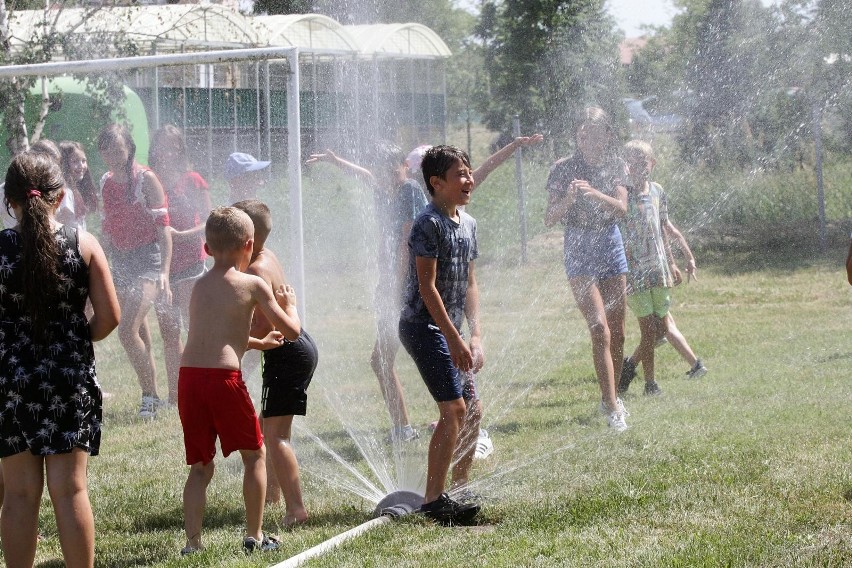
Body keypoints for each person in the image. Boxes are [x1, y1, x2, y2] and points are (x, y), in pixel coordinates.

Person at [0, 151, 120, 568]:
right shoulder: (82, 243)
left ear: (8, 199)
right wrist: (72, 340)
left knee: (17, 496)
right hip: (68, 380)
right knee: (70, 493)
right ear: (61, 196)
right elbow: (110, 317)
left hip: (10, 385)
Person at [178, 206, 301, 555]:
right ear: (250, 245)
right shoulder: (252, 283)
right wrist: (290, 305)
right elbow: (292, 332)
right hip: (224, 382)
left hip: (189, 380)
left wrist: (257, 342)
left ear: (205, 249)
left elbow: (215, 336)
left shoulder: (199, 286)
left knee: (200, 465)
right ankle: (255, 537)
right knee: (255, 456)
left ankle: (192, 544)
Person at [306, 142, 426, 443]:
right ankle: (404, 428)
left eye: (390, 170)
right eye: (381, 171)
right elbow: (366, 175)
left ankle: (449, 417)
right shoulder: (388, 187)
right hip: (400, 286)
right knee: (383, 359)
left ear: (405, 167)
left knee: (411, 358)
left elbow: (405, 244)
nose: (383, 176)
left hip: (411, 287)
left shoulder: (408, 191)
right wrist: (337, 161)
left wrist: (393, 287)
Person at [398, 145, 484, 525]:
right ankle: (434, 501)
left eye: (468, 171)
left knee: (472, 412)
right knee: (453, 410)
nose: (468, 179)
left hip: (451, 329)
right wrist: (452, 336)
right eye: (459, 174)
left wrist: (475, 333)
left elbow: (469, 283)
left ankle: (459, 489)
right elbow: (427, 286)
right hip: (422, 326)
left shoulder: (468, 224)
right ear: (436, 183)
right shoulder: (427, 224)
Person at [233, 199, 318, 529]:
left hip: (287, 353)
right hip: (297, 348)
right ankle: (272, 496)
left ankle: (296, 510)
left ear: (246, 240)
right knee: (268, 423)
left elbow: (266, 325)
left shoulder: (254, 270)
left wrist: (238, 332)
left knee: (276, 436)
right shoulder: (268, 257)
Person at [544, 107, 629, 431]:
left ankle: (611, 397)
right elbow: (549, 218)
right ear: (577, 136)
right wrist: (567, 200)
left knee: (618, 332)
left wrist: (594, 192)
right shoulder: (562, 169)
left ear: (607, 135)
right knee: (599, 329)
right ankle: (612, 409)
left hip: (610, 243)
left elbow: (622, 208)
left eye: (595, 134)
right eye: (582, 134)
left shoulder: (615, 165)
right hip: (579, 247)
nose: (588, 140)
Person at [97, 123, 173, 417]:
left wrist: (165, 271)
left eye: (118, 148)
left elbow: (163, 229)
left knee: (127, 330)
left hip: (149, 262)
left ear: (129, 147)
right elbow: (107, 227)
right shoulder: (106, 181)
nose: (113, 154)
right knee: (139, 329)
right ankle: (151, 394)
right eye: (106, 149)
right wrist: (101, 263)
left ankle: (150, 397)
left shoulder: (146, 179)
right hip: (121, 260)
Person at [612, 140, 682, 397]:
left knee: (661, 327)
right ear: (625, 165)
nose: (638, 166)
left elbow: (663, 229)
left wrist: (672, 262)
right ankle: (650, 384)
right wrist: (623, 272)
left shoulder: (658, 191)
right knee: (648, 329)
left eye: (643, 161)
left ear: (652, 163)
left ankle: (629, 367)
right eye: (632, 161)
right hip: (634, 270)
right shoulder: (623, 194)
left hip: (658, 267)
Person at [148, 125, 212, 404]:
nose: (166, 151)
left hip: (190, 265)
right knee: (169, 332)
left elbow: (210, 221)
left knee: (193, 329)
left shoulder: (193, 180)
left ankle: (202, 386)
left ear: (180, 148)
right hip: (163, 268)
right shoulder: (151, 181)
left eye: (172, 145)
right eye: (161, 145)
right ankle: (175, 394)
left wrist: (179, 235)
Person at [620, 218, 707, 388]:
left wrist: (675, 262)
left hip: (651, 275)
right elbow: (670, 232)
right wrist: (680, 260)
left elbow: (666, 232)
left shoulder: (652, 198)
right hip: (645, 275)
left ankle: (630, 367)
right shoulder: (633, 200)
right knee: (662, 326)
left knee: (658, 329)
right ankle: (695, 365)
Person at [59, 140, 98, 229]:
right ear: (64, 164)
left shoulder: (76, 189)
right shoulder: (65, 193)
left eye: (83, 161)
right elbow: (64, 227)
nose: (81, 165)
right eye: (75, 161)